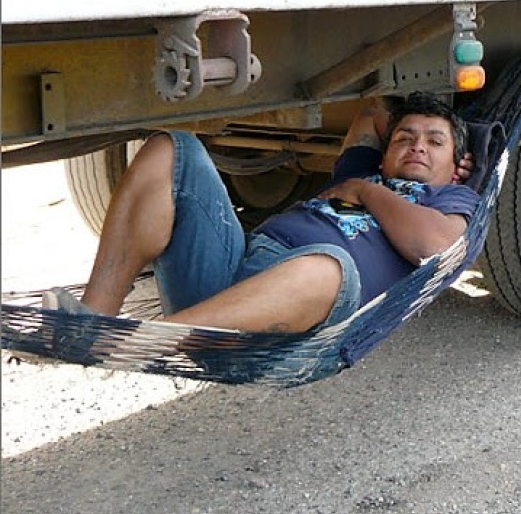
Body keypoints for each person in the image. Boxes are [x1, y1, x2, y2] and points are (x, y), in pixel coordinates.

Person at [44, 92, 480, 334]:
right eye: (405, 138)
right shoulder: (361, 166)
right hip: (236, 271)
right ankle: (92, 322)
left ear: (458, 168)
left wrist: (366, 191)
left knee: (326, 266)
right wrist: (391, 148)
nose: (418, 145)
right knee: (170, 147)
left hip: (313, 299)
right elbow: (374, 109)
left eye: (435, 142)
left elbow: (437, 247)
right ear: (384, 153)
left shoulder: (447, 199)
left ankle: (158, 339)